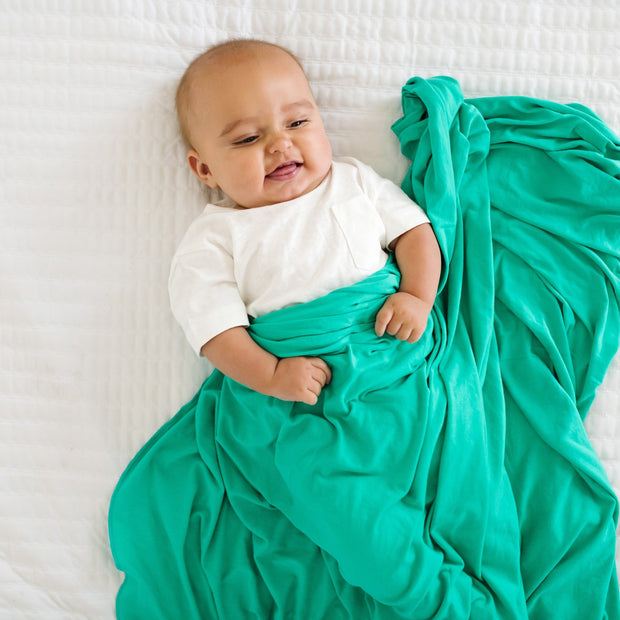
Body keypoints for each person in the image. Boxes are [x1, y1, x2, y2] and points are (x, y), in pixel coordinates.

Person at [169, 39, 442, 406]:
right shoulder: (213, 238)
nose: (280, 145)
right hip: (302, 375)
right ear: (205, 169)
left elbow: (414, 232)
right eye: (248, 138)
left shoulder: (353, 180)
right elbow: (215, 329)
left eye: (297, 122)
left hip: (391, 348)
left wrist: (417, 296)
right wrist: (271, 376)